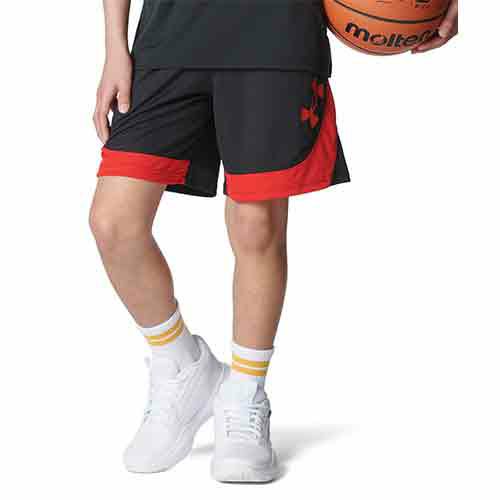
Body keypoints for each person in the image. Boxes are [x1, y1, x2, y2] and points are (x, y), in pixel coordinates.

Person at [90, 0, 458, 483]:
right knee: (113, 223)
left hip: (276, 33)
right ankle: (181, 364)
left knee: (256, 226)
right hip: (168, 37)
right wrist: (114, 46)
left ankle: (245, 394)